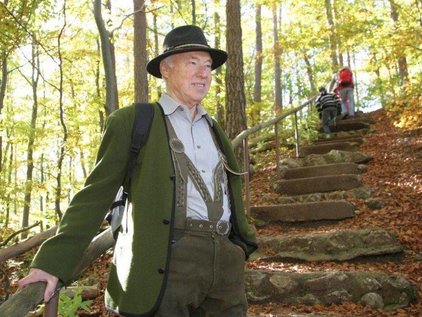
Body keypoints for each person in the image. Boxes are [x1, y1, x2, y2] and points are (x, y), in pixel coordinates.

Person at [18, 25, 258, 317]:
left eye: (207, 65)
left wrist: (240, 247)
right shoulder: (134, 122)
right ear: (166, 70)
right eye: (192, 63)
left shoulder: (216, 130)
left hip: (225, 269)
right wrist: (51, 263)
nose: (203, 73)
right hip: (165, 264)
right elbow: (93, 197)